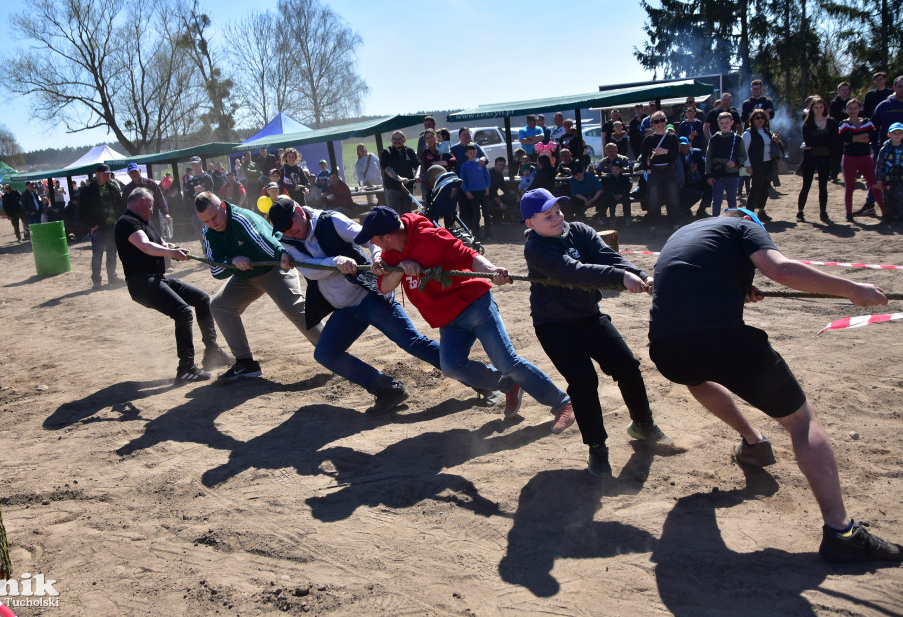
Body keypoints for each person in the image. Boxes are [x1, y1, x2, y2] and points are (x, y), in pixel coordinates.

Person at [648, 208, 902, 563]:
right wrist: (851, 288)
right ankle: (842, 532)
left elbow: (688, 283)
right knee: (802, 421)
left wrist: (737, 289)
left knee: (697, 377)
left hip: (667, 349)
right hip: (721, 340)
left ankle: (754, 444)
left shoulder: (683, 233)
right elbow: (780, 269)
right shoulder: (742, 226)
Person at [271, 198, 503, 413]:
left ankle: (484, 381)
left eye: (290, 223)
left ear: (300, 212)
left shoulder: (330, 220)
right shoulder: (288, 241)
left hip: (369, 295)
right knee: (325, 353)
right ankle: (386, 388)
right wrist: (335, 261)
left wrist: (378, 258)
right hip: (344, 308)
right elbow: (309, 270)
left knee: (412, 342)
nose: (289, 230)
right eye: (283, 228)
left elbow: (368, 237)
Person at [358, 206, 576, 433]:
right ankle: (509, 385)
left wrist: (492, 270)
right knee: (451, 366)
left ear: (388, 236)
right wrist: (401, 269)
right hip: (448, 319)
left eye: (373, 239)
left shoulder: (430, 237)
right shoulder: (391, 253)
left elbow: (467, 255)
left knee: (507, 362)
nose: (372, 245)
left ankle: (562, 402)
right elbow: (384, 287)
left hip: (475, 305)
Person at [521, 189, 676, 475]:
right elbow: (574, 271)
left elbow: (607, 256)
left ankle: (643, 425)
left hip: (589, 316)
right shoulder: (536, 249)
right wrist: (620, 277)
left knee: (627, 366)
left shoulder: (579, 230)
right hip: (553, 325)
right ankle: (597, 448)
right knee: (583, 381)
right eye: (547, 216)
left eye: (558, 212)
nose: (557, 218)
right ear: (530, 223)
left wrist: (641, 275)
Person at [194, 191, 322, 382]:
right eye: (206, 221)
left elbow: (265, 241)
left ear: (222, 207)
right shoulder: (208, 233)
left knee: (293, 308)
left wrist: (281, 255)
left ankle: (330, 349)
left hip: (274, 266)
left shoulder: (240, 218)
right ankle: (245, 363)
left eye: (214, 217)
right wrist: (233, 260)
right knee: (220, 306)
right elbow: (216, 270)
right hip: (245, 277)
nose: (213, 224)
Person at [115, 188, 227, 383]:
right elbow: (144, 246)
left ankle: (212, 351)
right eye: (150, 206)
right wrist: (172, 254)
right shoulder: (127, 222)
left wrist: (172, 249)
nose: (151, 210)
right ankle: (186, 368)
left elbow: (160, 244)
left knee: (201, 298)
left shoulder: (144, 222)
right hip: (141, 282)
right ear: (142, 202)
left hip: (157, 278)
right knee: (183, 312)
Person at [79, 162, 125, 289]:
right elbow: (82, 211)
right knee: (97, 254)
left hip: (112, 227)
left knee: (111, 252)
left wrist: (118, 220)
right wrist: (91, 225)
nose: (107, 177)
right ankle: (96, 281)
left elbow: (121, 205)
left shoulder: (112, 188)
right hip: (98, 228)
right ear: (97, 174)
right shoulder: (87, 191)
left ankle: (112, 277)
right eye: (104, 174)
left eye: (108, 174)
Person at [839, 98, 884, 221]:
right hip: (849, 159)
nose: (853, 110)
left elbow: (873, 137)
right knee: (850, 187)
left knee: (874, 184)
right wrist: (864, 136)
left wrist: (854, 138)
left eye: (855, 108)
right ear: (847, 110)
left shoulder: (868, 122)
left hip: (865, 158)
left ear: (860, 108)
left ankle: (885, 212)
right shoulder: (843, 123)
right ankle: (849, 213)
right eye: (850, 108)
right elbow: (846, 139)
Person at [638, 113, 681, 236]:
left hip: (669, 171)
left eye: (662, 120)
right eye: (656, 122)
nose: (660, 124)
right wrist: (647, 169)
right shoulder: (649, 140)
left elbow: (675, 155)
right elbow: (643, 157)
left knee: (672, 198)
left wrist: (664, 151)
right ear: (653, 124)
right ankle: (653, 227)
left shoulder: (672, 137)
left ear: (665, 121)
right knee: (654, 200)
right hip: (655, 172)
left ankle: (676, 225)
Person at [798, 96, 837, 222]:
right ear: (811, 109)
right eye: (816, 107)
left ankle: (823, 212)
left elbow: (833, 140)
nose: (819, 110)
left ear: (825, 107)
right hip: (810, 158)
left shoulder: (831, 122)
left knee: (823, 186)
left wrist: (817, 142)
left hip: (825, 158)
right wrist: (822, 141)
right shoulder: (807, 124)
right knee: (806, 185)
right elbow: (808, 141)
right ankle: (800, 211)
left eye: (821, 107)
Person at [705, 112, 747, 216]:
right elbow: (708, 158)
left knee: (732, 200)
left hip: (732, 174)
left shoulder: (738, 139)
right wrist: (708, 175)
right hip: (717, 174)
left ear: (732, 123)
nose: (724, 125)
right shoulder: (714, 139)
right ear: (718, 124)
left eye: (727, 122)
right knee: (717, 199)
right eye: (722, 122)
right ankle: (715, 221)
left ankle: (732, 221)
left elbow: (743, 156)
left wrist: (736, 162)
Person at [742, 109, 781, 222]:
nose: (760, 120)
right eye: (757, 118)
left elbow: (772, 145)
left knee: (765, 189)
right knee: (755, 189)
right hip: (756, 164)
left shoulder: (767, 131)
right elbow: (744, 151)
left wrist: (776, 141)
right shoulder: (748, 133)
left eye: (762, 118)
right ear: (752, 120)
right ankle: (749, 214)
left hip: (768, 163)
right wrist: (748, 166)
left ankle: (761, 211)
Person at [121, 162, 170, 236]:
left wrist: (166, 213)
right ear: (128, 174)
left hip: (153, 217)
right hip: (136, 220)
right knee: (142, 241)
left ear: (140, 171)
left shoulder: (151, 183)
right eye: (131, 172)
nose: (134, 174)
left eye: (135, 171)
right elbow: (125, 205)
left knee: (157, 238)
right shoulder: (127, 189)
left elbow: (160, 199)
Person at [379, 131, 420, 215]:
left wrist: (417, 175)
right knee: (394, 215)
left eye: (399, 139)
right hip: (392, 189)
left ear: (404, 140)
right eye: (394, 139)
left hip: (408, 189)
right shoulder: (386, 152)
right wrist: (399, 178)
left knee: (407, 215)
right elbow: (387, 168)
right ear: (391, 140)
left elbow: (417, 165)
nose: (397, 141)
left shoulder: (409, 151)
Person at [875, 122, 903, 223]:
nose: (897, 135)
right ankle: (888, 218)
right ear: (889, 134)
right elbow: (879, 164)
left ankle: (900, 218)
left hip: (901, 178)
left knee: (900, 197)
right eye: (895, 133)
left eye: (900, 133)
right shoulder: (885, 149)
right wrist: (879, 179)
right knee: (887, 199)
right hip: (887, 178)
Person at [183, 156, 214, 245]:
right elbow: (186, 193)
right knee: (201, 237)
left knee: (210, 235)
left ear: (201, 165)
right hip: (195, 212)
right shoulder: (190, 180)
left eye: (196, 165)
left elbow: (210, 193)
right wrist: (195, 189)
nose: (194, 167)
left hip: (207, 211)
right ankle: (206, 255)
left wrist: (202, 190)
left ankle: (214, 255)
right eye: (192, 165)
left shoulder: (207, 177)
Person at [601, 159, 634, 227]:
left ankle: (628, 217)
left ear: (621, 170)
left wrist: (622, 194)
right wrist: (613, 195)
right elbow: (608, 188)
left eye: (617, 169)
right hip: (613, 196)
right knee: (611, 204)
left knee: (627, 202)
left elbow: (627, 187)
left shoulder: (625, 178)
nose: (615, 171)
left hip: (623, 195)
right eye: (613, 169)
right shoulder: (609, 178)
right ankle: (612, 218)